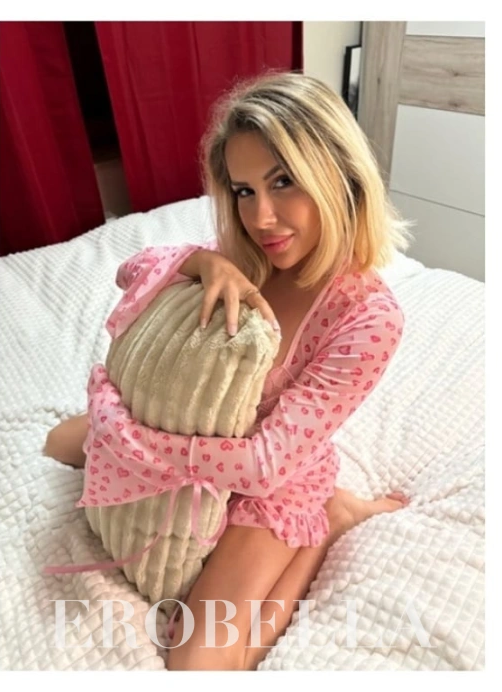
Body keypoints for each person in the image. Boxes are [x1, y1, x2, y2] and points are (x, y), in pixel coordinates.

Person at [44, 70, 413, 671]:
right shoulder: (245, 256)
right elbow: (127, 271)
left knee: (198, 663)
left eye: (283, 181)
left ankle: (329, 521)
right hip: (199, 427)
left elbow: (267, 463)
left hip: (272, 480)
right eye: (244, 191)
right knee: (57, 443)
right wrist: (199, 262)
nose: (262, 217)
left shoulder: (368, 317)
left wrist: (137, 448)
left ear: (341, 176)